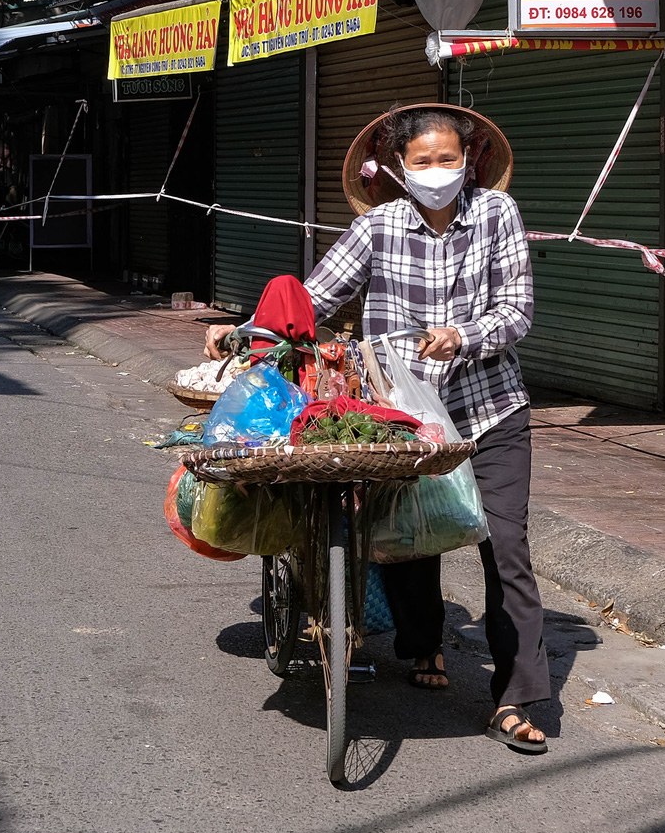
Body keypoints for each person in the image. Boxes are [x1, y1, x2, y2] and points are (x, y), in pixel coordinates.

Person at [205, 105, 548, 753]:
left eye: (449, 159)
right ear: (397, 165)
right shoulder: (379, 226)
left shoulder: (498, 217)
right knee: (414, 533)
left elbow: (517, 310)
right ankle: (423, 644)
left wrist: (465, 335)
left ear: (471, 160)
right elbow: (312, 298)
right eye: (423, 161)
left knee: (507, 547)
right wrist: (242, 328)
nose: (437, 172)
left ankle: (517, 695)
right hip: (408, 412)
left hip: (491, 405)